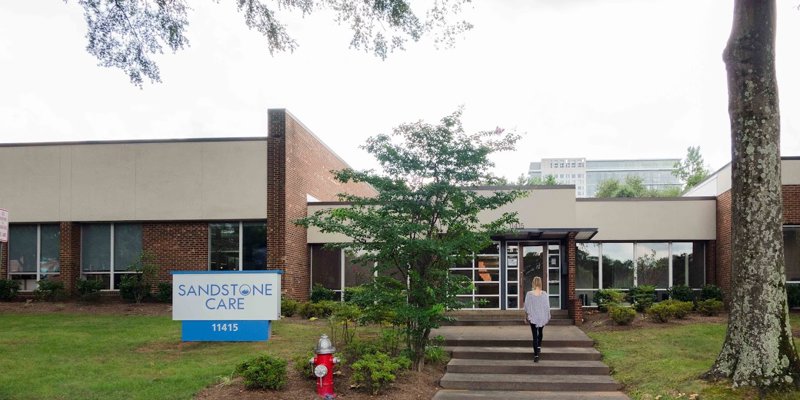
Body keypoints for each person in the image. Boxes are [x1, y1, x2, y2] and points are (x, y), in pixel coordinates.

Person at [524, 276, 551, 363]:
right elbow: (547, 306)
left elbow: (526, 307)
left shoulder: (529, 294)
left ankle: (536, 356)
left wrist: (525, 316)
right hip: (542, 316)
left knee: (535, 336)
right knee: (541, 332)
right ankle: (539, 346)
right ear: (540, 283)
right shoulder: (544, 294)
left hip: (533, 317)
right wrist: (548, 315)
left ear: (533, 283)